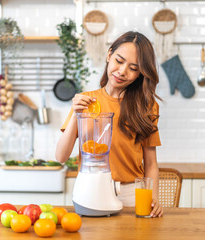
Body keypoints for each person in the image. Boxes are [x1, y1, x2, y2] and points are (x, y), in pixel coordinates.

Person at [56, 31, 163, 218]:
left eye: (133, 68)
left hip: (131, 195)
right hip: (91, 191)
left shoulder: (147, 107)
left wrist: (153, 199)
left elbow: (151, 163)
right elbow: (61, 156)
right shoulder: (86, 101)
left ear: (140, 73)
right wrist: (76, 115)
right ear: (109, 55)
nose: (122, 71)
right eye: (119, 61)